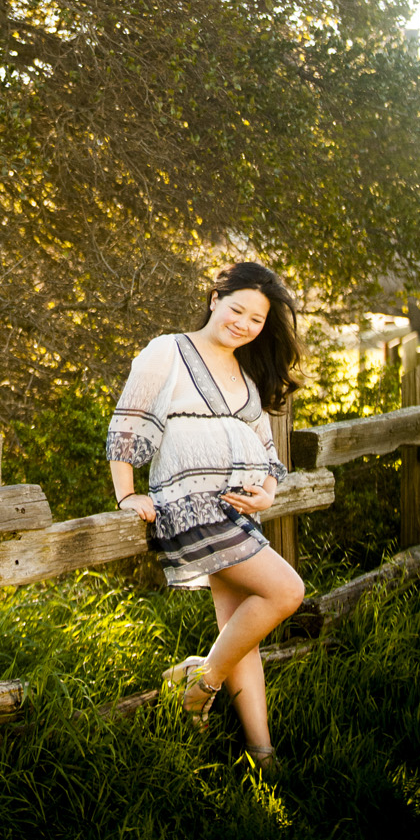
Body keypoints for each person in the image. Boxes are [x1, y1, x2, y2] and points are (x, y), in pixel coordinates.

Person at [107, 261, 306, 766]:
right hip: (191, 508)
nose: (244, 324)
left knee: (240, 636)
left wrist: (267, 494)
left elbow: (266, 449)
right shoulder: (168, 350)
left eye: (256, 319)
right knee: (287, 591)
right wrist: (127, 495)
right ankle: (200, 682)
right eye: (237, 310)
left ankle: (262, 754)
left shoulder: (246, 371)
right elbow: (127, 422)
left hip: (237, 513)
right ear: (215, 300)